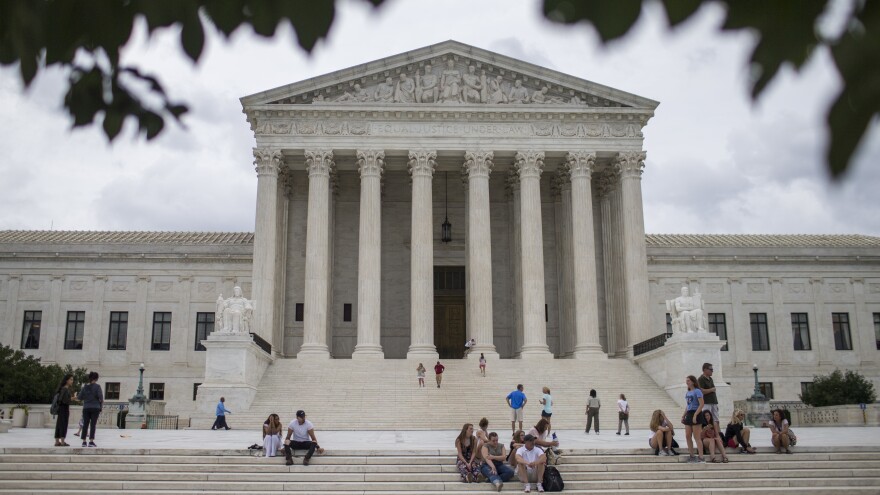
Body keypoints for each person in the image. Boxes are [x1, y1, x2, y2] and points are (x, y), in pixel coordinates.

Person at [682, 375, 706, 463]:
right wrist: (683, 415)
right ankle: (691, 455)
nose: (687, 382)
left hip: (696, 413)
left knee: (697, 437)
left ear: (693, 381)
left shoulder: (697, 391)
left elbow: (702, 404)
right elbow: (688, 405)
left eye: (688, 380)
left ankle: (701, 456)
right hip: (689, 413)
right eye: (686, 380)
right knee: (688, 435)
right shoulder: (688, 392)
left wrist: (695, 415)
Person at [78, 371, 103, 448]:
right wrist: (100, 407)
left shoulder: (84, 387)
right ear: (96, 378)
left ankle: (84, 441)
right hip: (95, 407)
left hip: (86, 407)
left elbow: (79, 397)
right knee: (93, 425)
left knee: (85, 424)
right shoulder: (98, 387)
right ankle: (91, 441)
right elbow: (101, 398)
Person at [698, 362, 720, 434]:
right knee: (707, 419)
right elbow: (701, 391)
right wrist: (711, 390)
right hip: (706, 402)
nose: (712, 371)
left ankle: (718, 434)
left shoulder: (710, 379)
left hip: (713, 401)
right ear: (705, 370)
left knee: (716, 419)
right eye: (711, 369)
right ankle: (707, 433)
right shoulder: (701, 379)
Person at [53, 374, 75, 447]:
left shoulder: (62, 388)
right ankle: (62, 441)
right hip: (64, 409)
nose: (72, 381)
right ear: (67, 380)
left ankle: (57, 441)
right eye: (71, 379)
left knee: (59, 424)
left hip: (61, 409)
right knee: (63, 424)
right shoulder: (65, 389)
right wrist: (74, 398)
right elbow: (66, 401)